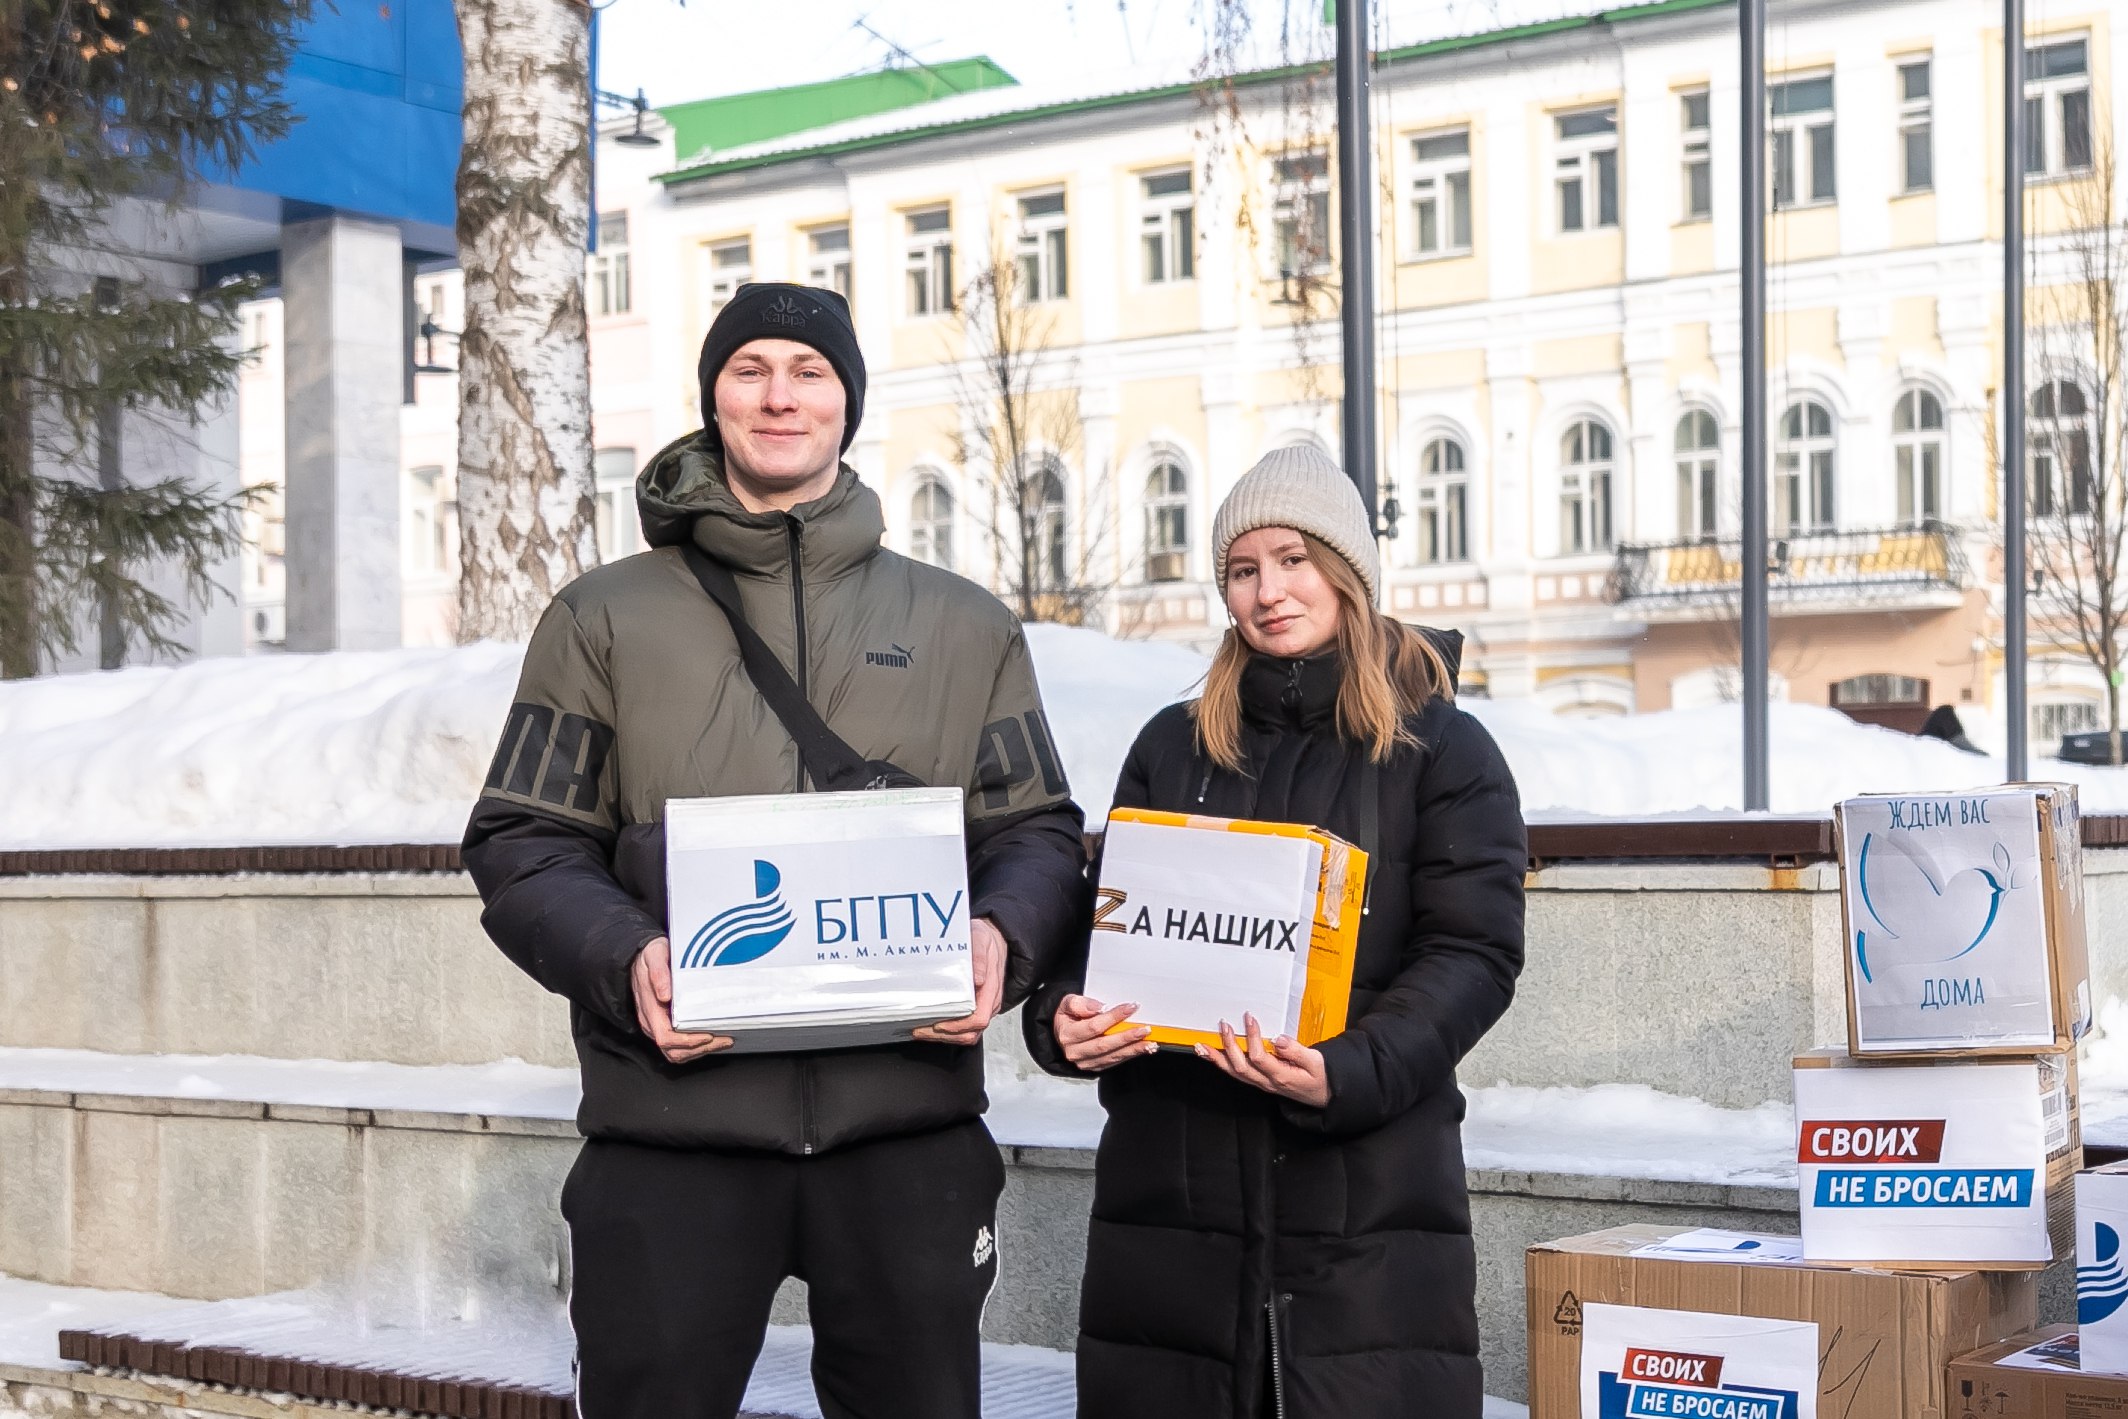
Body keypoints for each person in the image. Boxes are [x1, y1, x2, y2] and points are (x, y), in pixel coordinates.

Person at [463, 282, 1090, 1419]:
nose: (779, 397)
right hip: (674, 1130)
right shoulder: (601, 617)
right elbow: (523, 837)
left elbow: (1035, 830)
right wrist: (627, 958)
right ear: (714, 397)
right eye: (749, 370)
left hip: (905, 1132)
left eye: (809, 373)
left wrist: (1005, 934)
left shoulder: (967, 625)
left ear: (849, 401)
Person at [1025, 444, 1527, 1419]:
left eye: (1295, 560)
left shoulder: (1440, 750)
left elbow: (1474, 953)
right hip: (1173, 1213)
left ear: (1347, 573)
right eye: (1243, 570)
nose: (1268, 592)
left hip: (1363, 1202)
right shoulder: (1171, 746)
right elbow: (1099, 933)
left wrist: (1349, 1070)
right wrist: (1061, 1020)